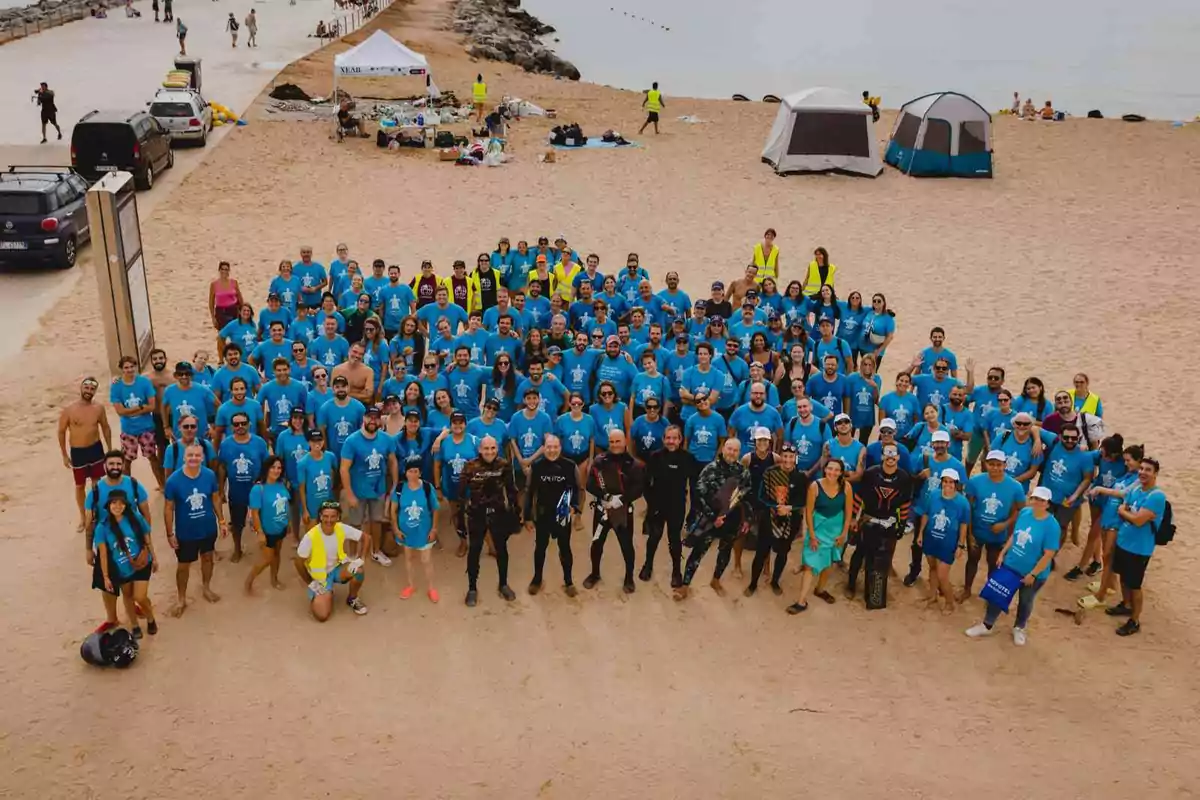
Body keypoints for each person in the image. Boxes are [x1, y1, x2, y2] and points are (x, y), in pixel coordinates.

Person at [966, 486, 1059, 646]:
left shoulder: (1052, 526)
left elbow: (1049, 554)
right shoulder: (1024, 513)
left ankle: (1019, 627)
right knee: (997, 593)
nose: (1037, 502)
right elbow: (1014, 536)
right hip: (1012, 564)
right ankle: (987, 625)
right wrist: (1003, 553)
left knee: (1025, 600)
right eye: (1035, 498)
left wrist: (1033, 574)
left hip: (1032, 572)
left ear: (1048, 504)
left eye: (1042, 500)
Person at [676, 437, 750, 601]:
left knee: (725, 552)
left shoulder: (743, 472)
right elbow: (699, 496)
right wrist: (713, 517)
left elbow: (745, 497)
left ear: (739, 452)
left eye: (735, 450)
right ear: (723, 449)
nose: (731, 452)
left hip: (731, 520)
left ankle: (716, 580)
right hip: (709, 519)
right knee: (698, 553)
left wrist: (747, 520)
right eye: (729, 448)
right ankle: (685, 585)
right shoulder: (710, 469)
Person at [1102, 457, 1167, 636]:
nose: (1143, 473)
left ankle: (1135, 620)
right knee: (1124, 578)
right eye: (1142, 469)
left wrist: (1125, 512)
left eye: (1148, 470)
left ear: (1155, 474)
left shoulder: (1156, 496)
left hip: (1140, 548)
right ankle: (1126, 604)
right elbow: (1125, 508)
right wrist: (1127, 512)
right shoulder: (1137, 489)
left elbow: (1137, 520)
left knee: (1135, 584)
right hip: (1124, 542)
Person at [846, 444, 915, 606]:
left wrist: (902, 524)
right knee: (860, 552)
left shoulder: (904, 478)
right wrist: (854, 519)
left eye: (893, 456)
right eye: (887, 456)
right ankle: (850, 584)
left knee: (882, 557)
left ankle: (875, 590)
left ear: (898, 457)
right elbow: (859, 497)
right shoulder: (871, 474)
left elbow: (905, 504)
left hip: (889, 523)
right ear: (882, 456)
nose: (890, 459)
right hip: (868, 519)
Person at [163, 442, 226, 617]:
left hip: (207, 528)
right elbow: (168, 508)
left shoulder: (209, 475)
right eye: (190, 455)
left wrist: (221, 520)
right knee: (183, 566)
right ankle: (181, 598)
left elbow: (215, 498)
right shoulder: (173, 480)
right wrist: (170, 533)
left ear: (202, 457)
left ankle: (206, 587)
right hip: (186, 533)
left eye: (197, 455)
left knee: (207, 559)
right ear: (184, 457)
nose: (194, 459)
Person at [460, 436, 521, 606]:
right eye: (486, 448)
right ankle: (472, 588)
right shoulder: (470, 466)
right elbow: (461, 494)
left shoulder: (503, 465)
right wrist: (460, 519)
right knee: (474, 551)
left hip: (498, 514)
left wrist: (516, 513)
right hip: (476, 515)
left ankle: (503, 584)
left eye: (493, 448)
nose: (490, 452)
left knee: (501, 550)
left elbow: (511, 490)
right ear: (480, 450)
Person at [787, 459, 853, 614]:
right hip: (818, 527)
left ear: (841, 472)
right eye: (830, 469)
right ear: (825, 469)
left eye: (837, 470)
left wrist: (844, 533)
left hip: (836, 528)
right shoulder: (815, 487)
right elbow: (808, 512)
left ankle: (820, 589)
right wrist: (811, 535)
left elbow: (849, 512)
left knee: (828, 562)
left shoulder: (846, 487)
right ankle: (801, 601)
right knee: (810, 564)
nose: (833, 472)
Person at [584, 430, 646, 593]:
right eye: (611, 442)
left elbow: (639, 488)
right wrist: (605, 497)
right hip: (602, 509)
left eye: (617, 441)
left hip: (623, 512)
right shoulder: (599, 461)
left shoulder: (635, 465)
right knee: (596, 544)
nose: (614, 445)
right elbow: (590, 484)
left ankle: (629, 578)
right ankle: (595, 574)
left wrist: (622, 500)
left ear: (625, 441)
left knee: (626, 546)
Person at [93, 491, 159, 640]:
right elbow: (102, 553)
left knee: (140, 596)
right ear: (108, 506)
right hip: (122, 568)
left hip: (142, 562)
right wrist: (105, 576)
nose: (117, 506)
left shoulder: (135, 518)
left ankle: (150, 618)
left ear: (125, 505)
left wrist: (154, 558)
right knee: (128, 596)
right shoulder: (102, 528)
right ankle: (134, 625)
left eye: (121, 503)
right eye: (114, 503)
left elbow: (147, 538)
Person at [961, 450, 1025, 601]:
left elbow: (1022, 510)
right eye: (991, 464)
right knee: (972, 560)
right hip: (977, 530)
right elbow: (968, 508)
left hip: (998, 534)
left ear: (1005, 465)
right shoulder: (975, 482)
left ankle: (990, 593)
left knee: (994, 564)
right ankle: (967, 589)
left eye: (999, 465)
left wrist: (1005, 524)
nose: (995, 468)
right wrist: (969, 535)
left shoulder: (1015, 487)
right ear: (986, 464)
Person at [746, 442, 807, 597]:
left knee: (782, 552)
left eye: (791, 457)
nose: (788, 460)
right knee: (761, 552)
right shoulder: (770, 473)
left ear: (795, 458)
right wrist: (775, 506)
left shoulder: (800, 477)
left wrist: (789, 508)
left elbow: (803, 500)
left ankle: (775, 581)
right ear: (781, 457)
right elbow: (761, 496)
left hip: (790, 520)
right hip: (769, 517)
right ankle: (753, 583)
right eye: (785, 456)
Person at [339, 404, 395, 566]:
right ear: (364, 418)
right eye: (369, 417)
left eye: (375, 417)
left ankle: (376, 551)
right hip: (358, 490)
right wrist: (349, 493)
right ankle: (353, 555)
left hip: (378, 489)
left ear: (380, 420)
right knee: (355, 523)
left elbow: (393, 462)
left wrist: (394, 485)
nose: (372, 420)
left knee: (376, 521)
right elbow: (344, 469)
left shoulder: (386, 439)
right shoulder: (352, 441)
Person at [524, 435, 579, 596]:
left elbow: (577, 488)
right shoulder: (537, 466)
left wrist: (575, 507)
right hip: (543, 514)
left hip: (562, 515)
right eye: (548, 447)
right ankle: (537, 579)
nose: (552, 450)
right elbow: (529, 492)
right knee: (540, 547)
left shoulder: (569, 466)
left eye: (555, 447)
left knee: (565, 547)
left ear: (560, 448)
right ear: (543, 448)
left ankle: (568, 581)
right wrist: (527, 516)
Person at [294, 501, 369, 620]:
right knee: (322, 616)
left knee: (359, 571)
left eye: (333, 516)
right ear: (320, 516)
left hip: (337, 568)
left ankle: (352, 598)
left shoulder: (341, 528)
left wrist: (361, 558)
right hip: (320, 577)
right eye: (326, 516)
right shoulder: (310, 537)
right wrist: (310, 583)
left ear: (338, 517)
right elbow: (298, 562)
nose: (329, 520)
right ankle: (323, 594)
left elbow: (366, 538)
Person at [58, 377, 112, 533]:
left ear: (95, 391)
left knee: (96, 484)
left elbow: (106, 428)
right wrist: (64, 454)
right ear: (81, 388)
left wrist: (109, 449)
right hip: (78, 451)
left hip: (95, 449)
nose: (89, 391)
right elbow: (61, 432)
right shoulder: (69, 409)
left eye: (92, 389)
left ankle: (98, 513)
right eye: (86, 388)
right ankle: (83, 517)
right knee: (80, 485)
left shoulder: (98, 408)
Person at [216, 411, 270, 562]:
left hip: (257, 490)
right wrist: (221, 489)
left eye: (243, 423)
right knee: (237, 523)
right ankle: (237, 548)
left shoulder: (259, 442)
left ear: (249, 424)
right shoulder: (226, 444)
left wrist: (266, 486)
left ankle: (266, 547)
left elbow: (267, 465)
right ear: (232, 426)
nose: (240, 426)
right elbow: (222, 467)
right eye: (236, 424)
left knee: (262, 521)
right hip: (236, 490)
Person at [640, 424, 689, 587]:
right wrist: (651, 503)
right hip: (657, 505)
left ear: (680, 440)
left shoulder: (687, 458)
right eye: (668, 438)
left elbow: (695, 484)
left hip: (677, 506)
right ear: (663, 439)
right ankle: (648, 565)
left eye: (674, 438)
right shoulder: (655, 456)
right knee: (653, 538)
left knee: (674, 540)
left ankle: (676, 572)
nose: (671, 441)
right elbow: (646, 483)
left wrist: (694, 508)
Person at [917, 468, 971, 614]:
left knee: (942, 575)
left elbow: (964, 525)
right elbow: (926, 515)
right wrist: (920, 533)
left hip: (948, 543)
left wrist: (961, 544)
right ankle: (932, 596)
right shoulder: (933, 495)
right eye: (945, 481)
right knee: (932, 568)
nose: (948, 485)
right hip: (931, 537)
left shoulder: (962, 503)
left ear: (956, 483)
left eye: (951, 482)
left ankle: (949, 602)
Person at [387, 455, 440, 603]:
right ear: (406, 472)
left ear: (420, 472)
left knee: (426, 559)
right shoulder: (399, 489)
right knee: (409, 558)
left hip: (424, 530)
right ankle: (411, 585)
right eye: (410, 471)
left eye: (416, 471)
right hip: (405, 532)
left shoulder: (427, 488)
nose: (413, 474)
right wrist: (396, 529)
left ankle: (431, 588)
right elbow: (393, 511)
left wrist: (434, 529)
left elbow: (435, 509)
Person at [111, 355, 165, 487]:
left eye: (131, 367)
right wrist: (141, 408)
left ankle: (162, 485)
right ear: (122, 369)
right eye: (126, 367)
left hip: (146, 428)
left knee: (152, 457)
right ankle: (125, 487)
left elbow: (152, 406)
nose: (129, 370)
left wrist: (130, 410)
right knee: (127, 460)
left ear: (135, 367)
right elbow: (120, 411)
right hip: (128, 430)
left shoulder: (144, 382)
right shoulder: (116, 386)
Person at [244, 456, 291, 593]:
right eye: (273, 467)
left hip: (280, 527)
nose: (276, 470)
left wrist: (287, 523)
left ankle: (274, 579)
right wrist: (260, 533)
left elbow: (286, 504)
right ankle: (249, 581)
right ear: (267, 468)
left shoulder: (281, 484)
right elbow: (255, 513)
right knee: (267, 559)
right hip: (267, 530)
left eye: (279, 468)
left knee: (277, 554)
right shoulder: (258, 489)